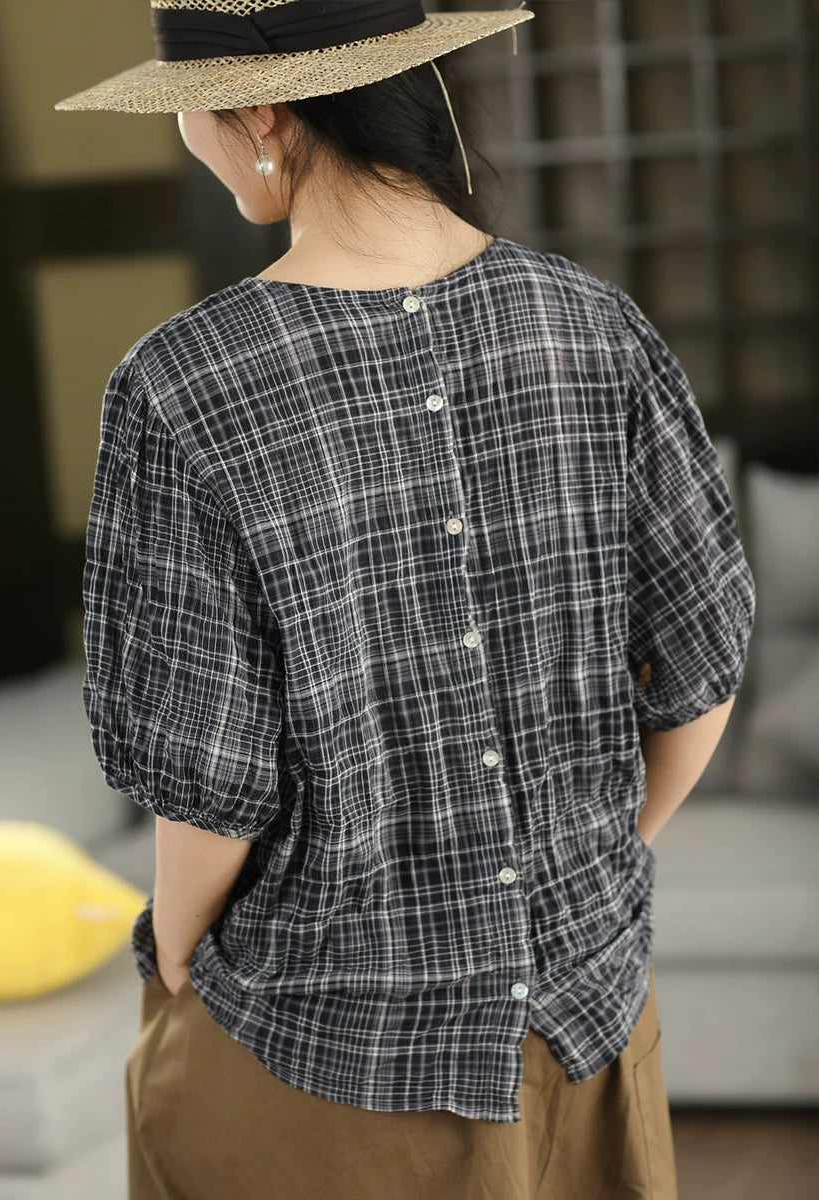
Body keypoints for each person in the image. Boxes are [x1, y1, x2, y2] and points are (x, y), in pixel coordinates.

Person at [56, 3, 756, 1197]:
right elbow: (702, 668)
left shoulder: (185, 386)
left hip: (317, 1058)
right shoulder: (596, 328)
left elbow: (212, 787)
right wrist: (588, 863)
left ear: (261, 113)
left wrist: (172, 955)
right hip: (587, 1030)